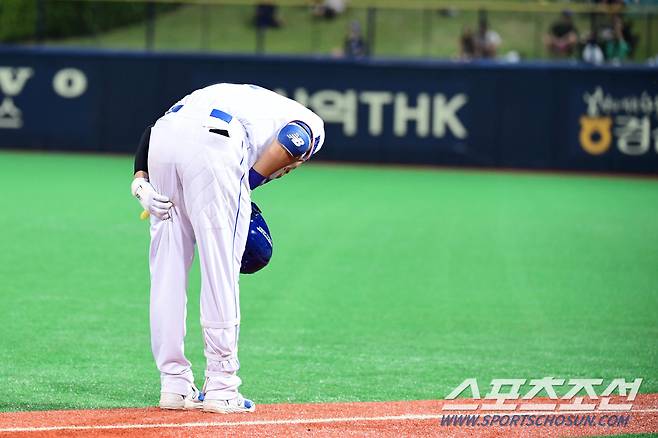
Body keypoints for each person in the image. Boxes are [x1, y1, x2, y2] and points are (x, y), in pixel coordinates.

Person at [131, 83, 325, 413]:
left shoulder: (246, 99)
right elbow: (297, 140)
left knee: (167, 271)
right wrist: (242, 185)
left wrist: (139, 183)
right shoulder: (309, 121)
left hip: (165, 140)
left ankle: (174, 385)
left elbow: (155, 130)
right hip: (216, 144)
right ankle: (222, 386)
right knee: (220, 269)